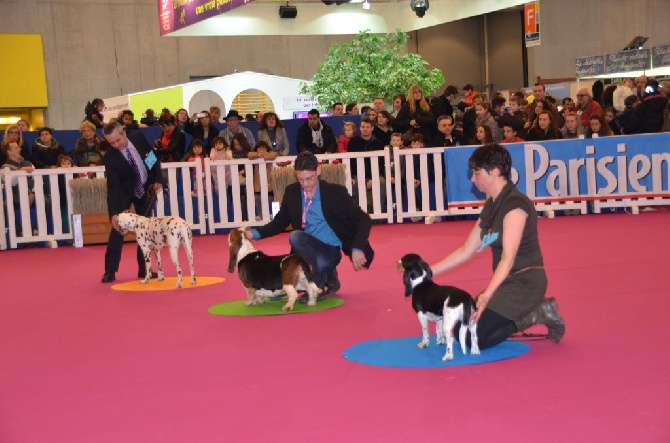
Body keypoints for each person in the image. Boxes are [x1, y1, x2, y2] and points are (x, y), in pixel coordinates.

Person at [430, 143, 565, 350]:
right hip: (506, 281)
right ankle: (524, 312)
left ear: (494, 171)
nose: (472, 179)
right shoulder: (493, 203)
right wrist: (428, 272)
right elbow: (467, 249)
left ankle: (536, 312)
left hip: (525, 283)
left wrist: (487, 294)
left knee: (470, 339)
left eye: (476, 173)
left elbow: (508, 258)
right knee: (459, 330)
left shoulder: (515, 205)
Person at [245, 151, 374, 297]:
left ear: (318, 170)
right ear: (296, 174)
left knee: (296, 237)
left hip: (329, 251)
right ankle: (327, 277)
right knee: (278, 291)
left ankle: (317, 285)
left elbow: (364, 219)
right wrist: (254, 233)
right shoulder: (292, 192)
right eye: (301, 179)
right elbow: (279, 222)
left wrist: (357, 247)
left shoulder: (336, 193)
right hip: (304, 253)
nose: (305, 184)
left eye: (310, 178)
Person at [100, 122, 163, 283]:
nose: (115, 145)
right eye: (111, 143)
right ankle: (110, 270)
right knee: (117, 231)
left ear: (124, 133)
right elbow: (113, 187)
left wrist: (157, 179)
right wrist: (114, 214)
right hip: (124, 193)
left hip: (145, 188)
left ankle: (145, 270)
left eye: (118, 141)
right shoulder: (110, 157)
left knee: (145, 231)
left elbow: (152, 160)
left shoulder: (139, 138)